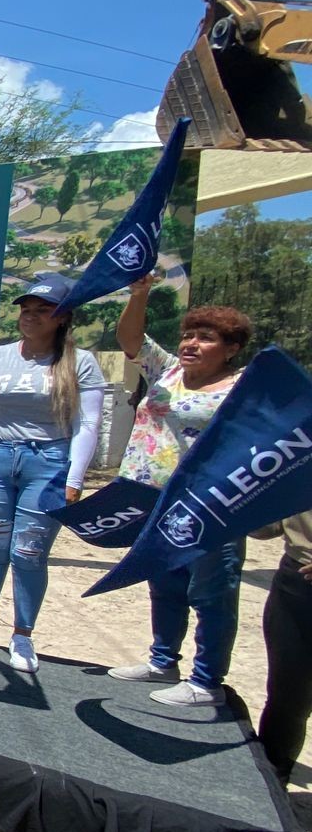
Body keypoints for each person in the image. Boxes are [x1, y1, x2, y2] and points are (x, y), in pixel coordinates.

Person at [109, 276, 251, 706]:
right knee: (164, 584)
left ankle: (206, 681)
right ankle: (162, 661)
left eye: (206, 338)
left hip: (212, 506)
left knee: (210, 593)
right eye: (188, 334)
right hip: (155, 500)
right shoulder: (167, 371)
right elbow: (129, 338)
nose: (190, 343)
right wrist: (139, 295)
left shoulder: (243, 387)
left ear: (231, 348)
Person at [0, 278, 106, 672]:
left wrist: (75, 479)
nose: (30, 316)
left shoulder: (80, 362)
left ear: (62, 318)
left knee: (28, 552)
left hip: (50, 464)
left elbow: (88, 424)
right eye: (26, 308)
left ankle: (22, 635)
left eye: (42, 310)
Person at [253, 511, 312, 785]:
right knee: (287, 699)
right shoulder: (301, 467)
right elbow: (269, 526)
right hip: (295, 586)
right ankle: (272, 787)